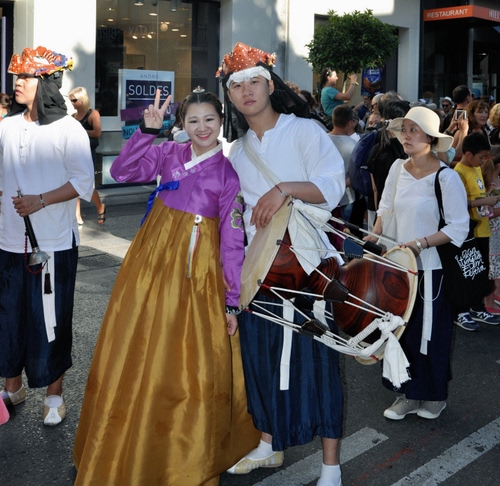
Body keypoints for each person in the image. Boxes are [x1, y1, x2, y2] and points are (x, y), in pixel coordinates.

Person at [73, 88, 259, 485]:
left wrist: (232, 300)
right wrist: (145, 132)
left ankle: (176, 449)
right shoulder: (169, 152)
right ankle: (124, 435)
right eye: (193, 120)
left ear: (221, 121)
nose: (202, 127)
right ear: (182, 124)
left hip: (195, 275)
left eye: (209, 119)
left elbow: (232, 242)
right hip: (149, 265)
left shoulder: (227, 175)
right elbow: (122, 172)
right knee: (136, 344)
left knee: (185, 356)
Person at [218, 42, 345, 486]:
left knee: (319, 365)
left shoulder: (304, 131)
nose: (247, 91)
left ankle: (331, 466)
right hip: (259, 272)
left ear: (270, 85)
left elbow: (334, 186)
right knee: (260, 357)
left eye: (255, 81)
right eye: (237, 86)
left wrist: (284, 188)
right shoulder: (235, 151)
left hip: (306, 264)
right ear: (230, 96)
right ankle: (268, 443)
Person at [0, 46, 94, 425]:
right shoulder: (6, 126)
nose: (18, 82)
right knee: (8, 317)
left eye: (26, 77)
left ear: (46, 82)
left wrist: (40, 200)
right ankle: (12, 386)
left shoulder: (69, 129)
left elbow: (84, 182)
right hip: (7, 240)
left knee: (50, 320)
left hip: (53, 243)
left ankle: (55, 395)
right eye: (17, 76)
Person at [366, 107, 469, 420]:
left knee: (431, 333)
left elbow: (458, 228)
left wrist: (420, 243)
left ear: (431, 138)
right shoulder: (397, 168)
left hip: (432, 269)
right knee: (399, 332)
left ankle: (434, 396)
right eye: (404, 129)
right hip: (398, 267)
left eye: (414, 130)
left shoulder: (447, 177)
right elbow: (385, 210)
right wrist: (374, 238)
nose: (406, 136)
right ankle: (407, 394)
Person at [453, 132, 500, 330]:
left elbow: (478, 195)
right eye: (481, 157)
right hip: (469, 231)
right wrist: (485, 201)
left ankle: (477, 306)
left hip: (483, 228)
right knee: (467, 272)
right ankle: (461, 311)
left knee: (480, 272)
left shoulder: (476, 168)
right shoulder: (458, 172)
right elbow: (457, 203)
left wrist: (486, 202)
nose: (483, 161)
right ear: (468, 154)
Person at [69, 86, 107, 225]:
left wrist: (81, 130)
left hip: (88, 153)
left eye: (74, 100)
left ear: (82, 99)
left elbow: (97, 133)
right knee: (74, 183)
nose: (72, 103)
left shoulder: (93, 114)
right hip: (75, 153)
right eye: (71, 100)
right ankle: (77, 215)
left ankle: (100, 206)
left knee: (87, 184)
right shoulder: (73, 116)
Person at [481, 145, 500, 312]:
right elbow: (486, 212)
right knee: (493, 265)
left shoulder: (495, 181)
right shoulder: (489, 185)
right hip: (492, 231)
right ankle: (491, 299)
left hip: (496, 231)